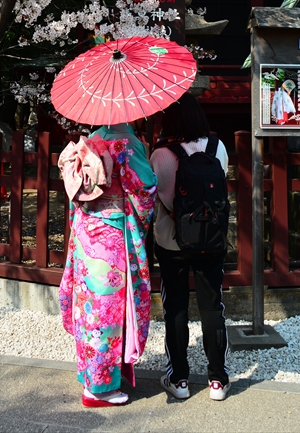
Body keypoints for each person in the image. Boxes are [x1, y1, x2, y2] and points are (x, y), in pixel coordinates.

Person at [59, 121, 157, 407]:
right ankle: (99, 389)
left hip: (85, 230)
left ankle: (89, 373)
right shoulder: (128, 143)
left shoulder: (90, 140)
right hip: (111, 235)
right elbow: (146, 189)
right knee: (107, 310)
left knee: (89, 306)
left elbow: (75, 194)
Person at [150, 92, 230, 402]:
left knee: (176, 307)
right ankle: (218, 380)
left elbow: (153, 193)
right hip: (211, 239)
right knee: (212, 308)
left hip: (172, 241)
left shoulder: (160, 154)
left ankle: (179, 379)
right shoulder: (217, 147)